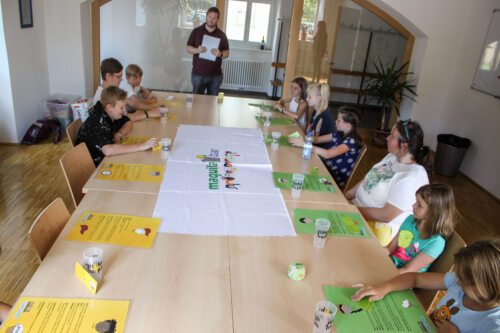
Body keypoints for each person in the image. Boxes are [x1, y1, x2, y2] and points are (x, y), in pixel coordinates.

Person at [352, 239, 500, 333]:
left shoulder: (493, 323)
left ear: (487, 287)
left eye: (464, 279)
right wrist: (384, 288)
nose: (457, 280)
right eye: (458, 275)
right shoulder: (459, 282)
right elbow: (415, 278)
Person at [345, 120, 430, 246]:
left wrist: (350, 210)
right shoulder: (393, 156)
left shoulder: (413, 176)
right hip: (356, 210)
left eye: (393, 136)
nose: (387, 138)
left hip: (377, 228)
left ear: (404, 146)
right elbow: (370, 177)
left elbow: (386, 215)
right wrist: (348, 194)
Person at [77, 86, 157, 166]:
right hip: (93, 167)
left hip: (105, 159)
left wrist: (121, 132)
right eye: (121, 108)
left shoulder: (111, 113)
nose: (124, 111)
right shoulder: (97, 121)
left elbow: (128, 121)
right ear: (110, 107)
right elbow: (108, 150)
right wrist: (141, 146)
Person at [387, 184, 457, 273]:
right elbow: (390, 249)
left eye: (419, 205)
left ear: (433, 213)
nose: (413, 206)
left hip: (403, 278)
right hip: (390, 266)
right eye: (416, 201)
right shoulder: (410, 220)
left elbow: (407, 270)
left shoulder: (436, 242)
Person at [290, 106, 362, 189]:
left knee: (301, 173)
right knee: (298, 166)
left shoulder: (351, 141)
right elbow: (317, 140)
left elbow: (328, 154)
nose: (335, 122)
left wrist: (304, 144)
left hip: (333, 178)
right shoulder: (339, 133)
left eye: (339, 121)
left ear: (348, 126)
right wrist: (305, 138)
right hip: (324, 167)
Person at [95, 58, 159, 121]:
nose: (121, 79)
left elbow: (125, 114)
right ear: (108, 76)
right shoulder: (102, 96)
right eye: (118, 76)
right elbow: (122, 119)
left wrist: (153, 109)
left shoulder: (114, 91)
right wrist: (148, 113)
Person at [186, 7, 229, 95]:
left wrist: (220, 54)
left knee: (212, 104)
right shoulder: (196, 31)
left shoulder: (222, 35)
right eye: (209, 16)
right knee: (196, 101)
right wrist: (197, 50)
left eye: (214, 18)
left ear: (217, 19)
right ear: (206, 16)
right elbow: (188, 48)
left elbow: (227, 53)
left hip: (215, 75)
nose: (211, 20)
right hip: (198, 73)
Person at [304, 83, 335, 148]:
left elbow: (317, 140)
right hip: (313, 145)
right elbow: (311, 132)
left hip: (322, 150)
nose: (306, 99)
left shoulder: (324, 116)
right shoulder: (315, 110)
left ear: (319, 98)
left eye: (310, 97)